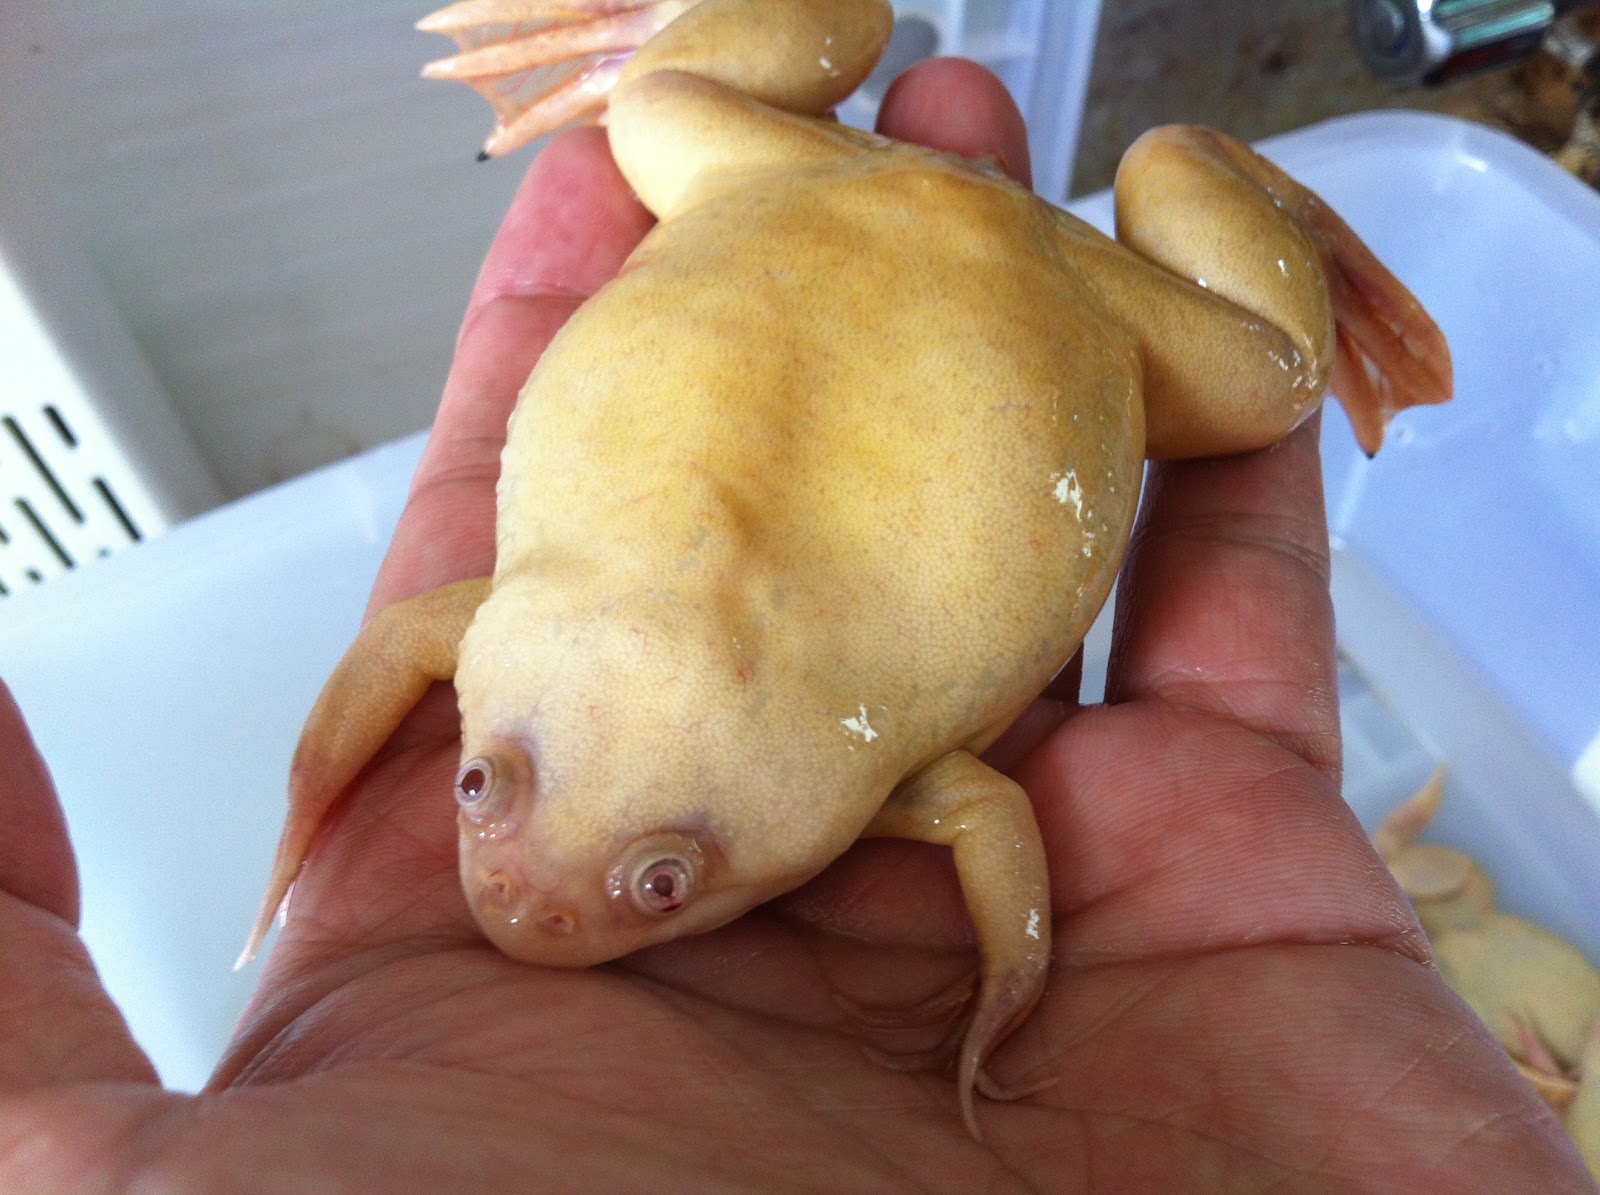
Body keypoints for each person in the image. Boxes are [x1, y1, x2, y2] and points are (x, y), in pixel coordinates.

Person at [0, 58, 1588, 1191]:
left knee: (1260, 393)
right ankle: (1200, 166)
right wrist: (997, 986)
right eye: (486, 780)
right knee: (654, 120)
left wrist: (1012, 997)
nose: (523, 895)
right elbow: (986, 826)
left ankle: (1207, 167)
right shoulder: (538, 641)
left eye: (657, 881)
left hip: (940, 242)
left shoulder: (875, 766)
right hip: (839, 208)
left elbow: (984, 815)